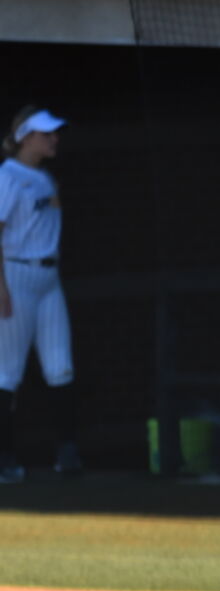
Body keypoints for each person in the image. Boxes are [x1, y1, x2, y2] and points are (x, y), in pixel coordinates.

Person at [0, 107, 76, 483]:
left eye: (55, 133)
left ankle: (67, 452)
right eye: (47, 134)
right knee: (7, 370)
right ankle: (4, 457)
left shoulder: (46, 179)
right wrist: (1, 287)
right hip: (16, 275)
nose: (54, 139)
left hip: (49, 278)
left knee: (60, 365)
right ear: (26, 137)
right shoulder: (7, 177)